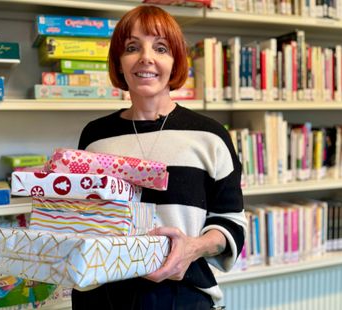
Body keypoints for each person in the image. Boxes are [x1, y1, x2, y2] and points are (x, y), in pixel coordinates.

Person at [74, 5, 247, 310]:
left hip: (181, 294)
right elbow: (86, 217)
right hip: (103, 294)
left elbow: (230, 223)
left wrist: (194, 247)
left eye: (161, 48)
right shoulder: (95, 136)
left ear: (176, 60)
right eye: (132, 47)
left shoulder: (211, 135)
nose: (146, 57)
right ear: (119, 62)